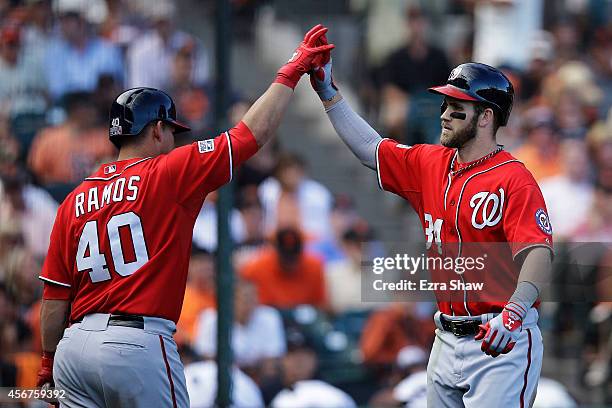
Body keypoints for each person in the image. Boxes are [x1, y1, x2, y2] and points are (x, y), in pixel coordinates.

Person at [35, 24, 334, 407]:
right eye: (172, 129)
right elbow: (249, 137)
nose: (175, 137)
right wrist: (290, 71)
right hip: (136, 342)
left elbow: (55, 297)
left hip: (74, 350)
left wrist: (48, 365)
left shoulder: (74, 199)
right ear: (157, 129)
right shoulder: (167, 172)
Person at [310, 40, 554, 406]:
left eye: (457, 108)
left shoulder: (513, 178)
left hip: (500, 337)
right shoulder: (431, 162)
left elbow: (537, 252)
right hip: (445, 336)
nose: (444, 114)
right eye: (445, 104)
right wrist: (329, 94)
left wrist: (514, 313)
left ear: (486, 116)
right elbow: (370, 150)